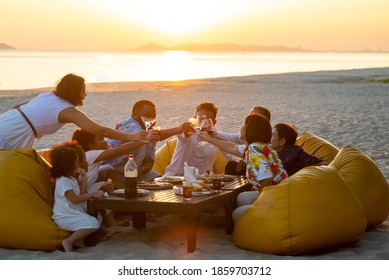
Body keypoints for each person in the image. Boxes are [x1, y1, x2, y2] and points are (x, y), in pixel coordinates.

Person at [0, 73, 147, 150]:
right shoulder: (67, 111)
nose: (85, 95)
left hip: (7, 120)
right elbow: (100, 130)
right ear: (74, 92)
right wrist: (132, 138)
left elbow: (17, 107)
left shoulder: (48, 96)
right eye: (83, 91)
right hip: (15, 132)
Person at [199, 114, 288, 221]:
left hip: (275, 199)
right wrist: (210, 139)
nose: (241, 127)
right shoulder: (260, 146)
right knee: (242, 197)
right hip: (280, 193)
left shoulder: (255, 151)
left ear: (249, 130)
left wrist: (262, 203)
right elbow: (233, 147)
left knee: (236, 214)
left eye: (243, 124)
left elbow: (266, 179)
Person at [105, 100, 191, 181]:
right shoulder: (127, 125)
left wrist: (140, 171)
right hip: (114, 170)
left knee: (160, 180)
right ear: (135, 115)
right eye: (147, 115)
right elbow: (141, 135)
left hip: (136, 172)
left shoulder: (150, 133)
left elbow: (150, 161)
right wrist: (177, 130)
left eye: (153, 116)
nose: (151, 119)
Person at [50, 145, 104, 252]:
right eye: (75, 162)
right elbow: (74, 199)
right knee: (93, 223)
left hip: (73, 212)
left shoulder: (71, 179)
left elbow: (81, 195)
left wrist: (84, 181)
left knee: (97, 216)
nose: (77, 164)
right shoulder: (63, 180)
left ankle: (78, 241)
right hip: (65, 216)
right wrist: (93, 193)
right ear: (68, 165)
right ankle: (68, 241)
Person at [71, 128, 159, 190]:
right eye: (101, 139)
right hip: (78, 192)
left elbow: (119, 148)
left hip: (85, 187)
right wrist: (145, 141)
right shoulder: (90, 154)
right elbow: (120, 150)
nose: (105, 141)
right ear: (89, 144)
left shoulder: (92, 155)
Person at [163, 102, 220, 176]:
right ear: (194, 119)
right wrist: (184, 130)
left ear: (214, 122)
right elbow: (183, 134)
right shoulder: (188, 132)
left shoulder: (217, 135)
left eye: (208, 118)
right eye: (201, 118)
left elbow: (230, 153)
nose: (204, 121)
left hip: (204, 179)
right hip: (177, 177)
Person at [212, 105, 272, 175]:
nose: (250, 121)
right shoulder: (255, 146)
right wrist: (211, 135)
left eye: (254, 119)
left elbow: (266, 178)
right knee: (232, 165)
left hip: (272, 185)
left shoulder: (257, 148)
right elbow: (231, 145)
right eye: (248, 118)